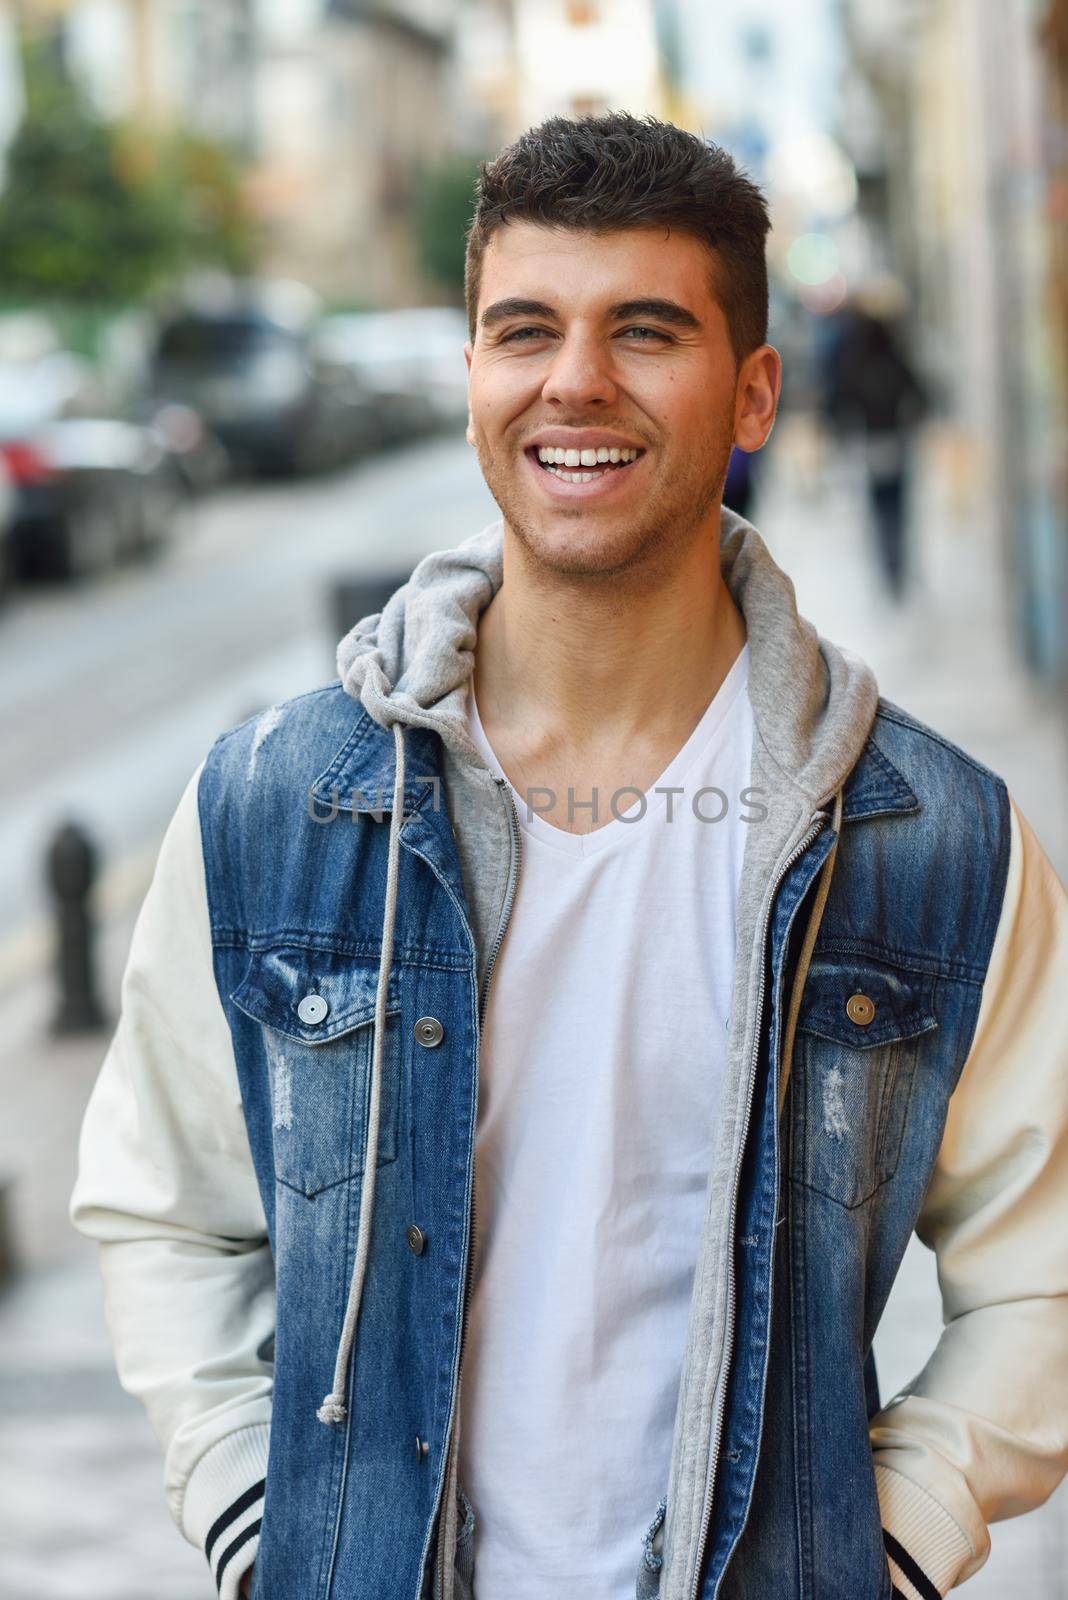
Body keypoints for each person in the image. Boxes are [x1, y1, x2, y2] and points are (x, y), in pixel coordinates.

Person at [70, 113, 1068, 1600]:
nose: (575, 379)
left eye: (645, 330)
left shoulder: (932, 839)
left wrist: (893, 1543)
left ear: (754, 394)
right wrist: (254, 1522)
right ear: (472, 376)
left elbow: (1044, 1266)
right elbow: (167, 1212)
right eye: (522, 329)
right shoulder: (273, 805)